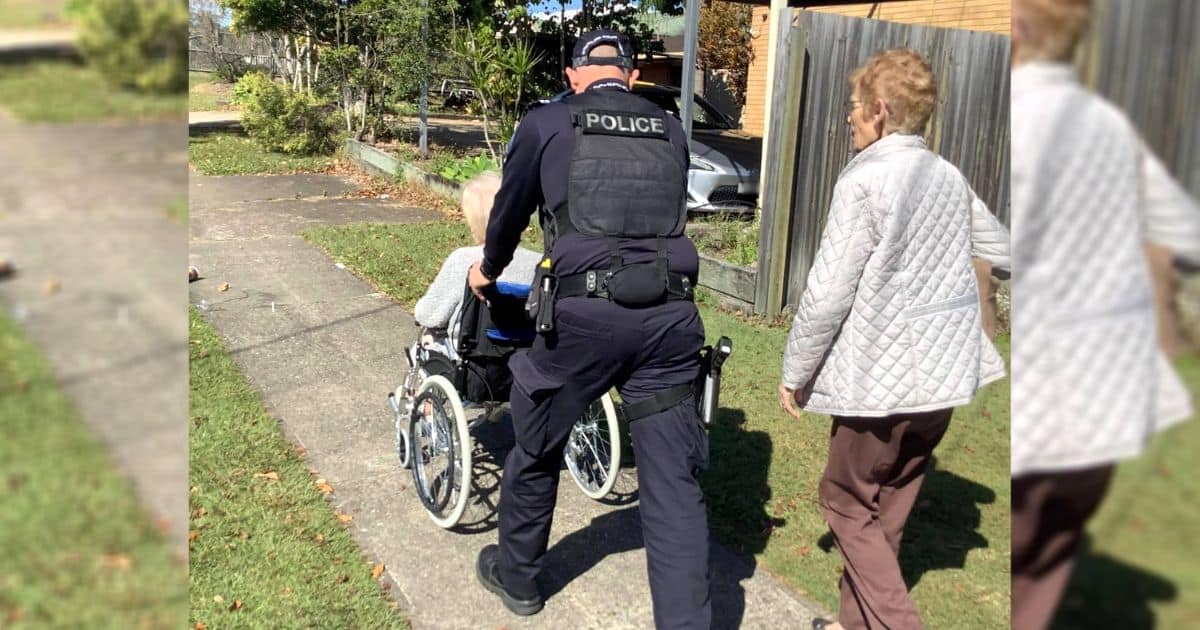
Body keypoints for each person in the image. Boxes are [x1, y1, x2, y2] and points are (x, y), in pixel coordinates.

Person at [467, 29, 710, 628]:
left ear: (575, 75)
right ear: (630, 75)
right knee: (675, 487)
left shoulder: (547, 123)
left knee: (538, 442)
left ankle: (519, 577)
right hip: (670, 319)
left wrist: (488, 267)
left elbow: (509, 211)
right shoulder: (670, 130)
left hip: (582, 318)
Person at [777, 49, 1009, 630]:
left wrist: (795, 371)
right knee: (889, 508)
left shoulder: (866, 181)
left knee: (843, 500)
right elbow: (1005, 250)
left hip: (881, 383)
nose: (848, 119)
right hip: (944, 379)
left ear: (880, 111)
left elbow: (829, 293)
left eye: (853, 108)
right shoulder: (947, 175)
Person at [1010, 1, 1198, 628]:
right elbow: (1182, 228)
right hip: (1115, 394)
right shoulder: (1108, 123)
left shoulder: (1025, 117)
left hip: (1049, 398)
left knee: (1022, 561)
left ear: (1017, 29)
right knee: (1042, 570)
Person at [413, 171, 540, 347]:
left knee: (425, 341)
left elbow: (429, 315)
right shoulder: (537, 262)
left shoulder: (463, 260)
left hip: (469, 356)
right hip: (524, 353)